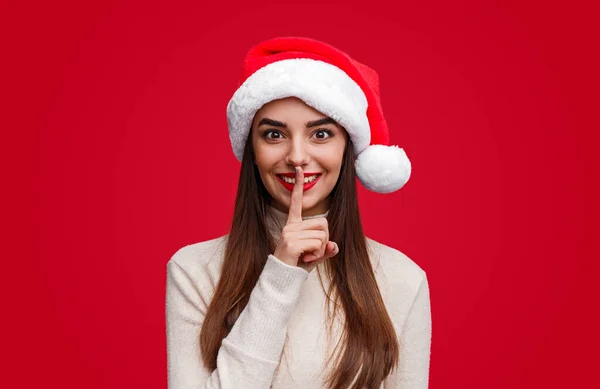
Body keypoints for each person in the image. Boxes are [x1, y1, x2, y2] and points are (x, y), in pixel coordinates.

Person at [165, 36, 432, 389]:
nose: (297, 156)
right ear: (253, 151)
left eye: (320, 134)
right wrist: (281, 274)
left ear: (346, 149)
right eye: (274, 134)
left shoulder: (402, 280)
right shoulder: (194, 271)